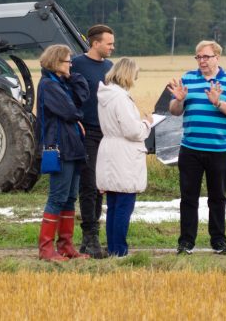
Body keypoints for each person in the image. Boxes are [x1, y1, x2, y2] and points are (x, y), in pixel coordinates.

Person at [168, 40, 226, 255]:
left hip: (219, 149)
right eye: (198, 57)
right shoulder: (187, 79)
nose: (202, 61)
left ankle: (218, 241)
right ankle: (186, 242)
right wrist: (179, 100)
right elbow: (174, 111)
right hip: (190, 149)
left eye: (206, 57)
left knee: (218, 198)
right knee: (188, 197)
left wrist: (218, 102)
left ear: (217, 57)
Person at [37, 44, 90, 262]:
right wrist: (77, 116)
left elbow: (81, 99)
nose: (71, 65)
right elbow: (70, 111)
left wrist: (72, 77)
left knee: (69, 198)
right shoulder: (49, 85)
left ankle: (66, 246)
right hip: (60, 148)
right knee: (57, 197)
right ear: (57, 62)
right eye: (68, 62)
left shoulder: (62, 83)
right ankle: (46, 249)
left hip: (73, 147)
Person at [96, 57, 152, 257]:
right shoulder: (121, 98)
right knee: (124, 206)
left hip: (109, 149)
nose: (135, 80)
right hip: (124, 155)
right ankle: (120, 251)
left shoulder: (106, 95)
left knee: (113, 205)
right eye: (134, 75)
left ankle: (113, 249)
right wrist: (147, 123)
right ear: (128, 74)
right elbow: (132, 131)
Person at [71, 24, 115, 258]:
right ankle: (90, 236)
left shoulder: (109, 67)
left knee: (100, 186)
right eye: (109, 43)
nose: (112, 47)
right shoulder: (76, 64)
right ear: (95, 43)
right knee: (88, 184)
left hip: (106, 133)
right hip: (86, 131)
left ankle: (90, 241)